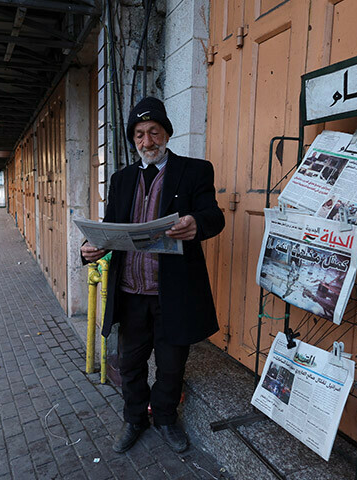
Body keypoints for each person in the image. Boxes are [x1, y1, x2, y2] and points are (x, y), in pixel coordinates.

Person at [80, 96, 224, 454]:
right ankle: (134, 419)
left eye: (154, 133)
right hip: (130, 292)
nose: (147, 142)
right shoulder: (122, 179)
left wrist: (196, 224)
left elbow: (214, 216)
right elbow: (112, 228)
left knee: (172, 366)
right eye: (140, 135)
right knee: (130, 363)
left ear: (167, 134)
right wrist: (91, 247)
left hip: (172, 292)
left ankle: (164, 419)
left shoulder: (195, 171)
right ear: (134, 140)